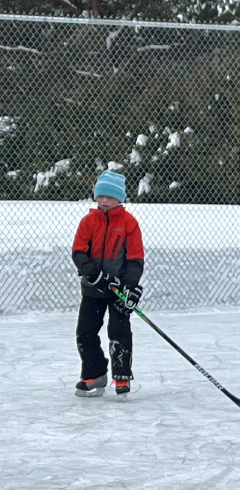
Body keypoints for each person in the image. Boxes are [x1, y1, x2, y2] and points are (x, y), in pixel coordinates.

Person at [71, 170, 144, 400]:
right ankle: (95, 374)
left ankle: (121, 376)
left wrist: (130, 286)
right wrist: (93, 274)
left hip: (118, 291)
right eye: (101, 195)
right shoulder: (88, 221)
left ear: (119, 198)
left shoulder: (129, 223)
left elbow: (135, 258)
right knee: (85, 333)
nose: (104, 200)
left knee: (119, 332)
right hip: (93, 289)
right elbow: (79, 252)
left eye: (110, 196)